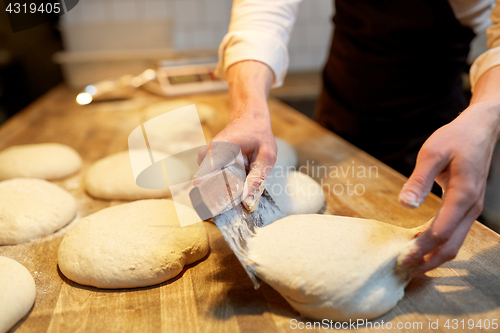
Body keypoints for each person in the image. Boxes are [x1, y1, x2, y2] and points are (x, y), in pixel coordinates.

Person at [207, 0, 500, 277]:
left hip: (433, 133)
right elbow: (263, 13)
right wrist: (249, 111)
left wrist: (486, 115)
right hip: (340, 113)